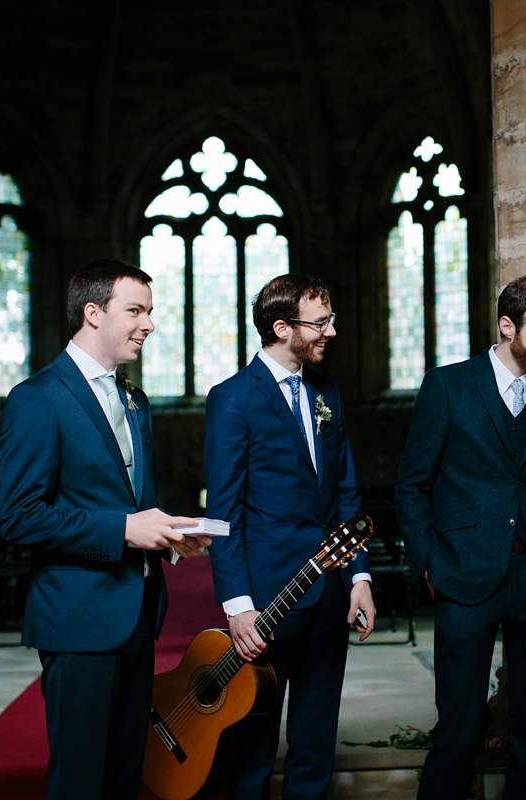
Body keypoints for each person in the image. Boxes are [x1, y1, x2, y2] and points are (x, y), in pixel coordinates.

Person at [0, 258, 209, 800]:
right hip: (79, 618)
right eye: (135, 310)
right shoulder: (38, 398)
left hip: (137, 615)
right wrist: (122, 530)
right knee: (81, 781)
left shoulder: (133, 400)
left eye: (150, 312)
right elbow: (18, 516)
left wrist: (170, 534)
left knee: (122, 776)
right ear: (93, 313)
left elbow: (136, 503)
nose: (149, 324)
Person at [394, 274, 526, 800]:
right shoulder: (448, 386)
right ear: (508, 326)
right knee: (457, 729)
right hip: (464, 574)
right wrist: (430, 564)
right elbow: (412, 486)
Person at [204, 273, 375, 800]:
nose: (331, 331)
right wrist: (237, 606)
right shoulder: (233, 399)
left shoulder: (327, 392)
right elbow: (225, 512)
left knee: (316, 727)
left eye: (331, 319)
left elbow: (347, 491)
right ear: (282, 327)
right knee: (253, 732)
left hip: (328, 591)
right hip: (269, 598)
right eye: (320, 322)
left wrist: (359, 576)